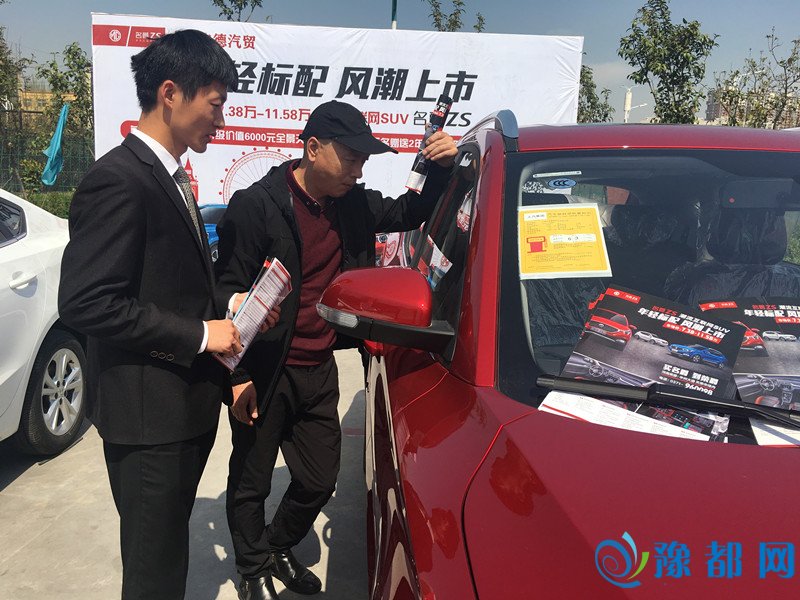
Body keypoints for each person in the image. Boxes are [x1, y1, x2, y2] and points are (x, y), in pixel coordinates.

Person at [214, 100, 458, 599]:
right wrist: (235, 377)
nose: (358, 170)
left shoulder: (352, 205)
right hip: (265, 370)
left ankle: (277, 544)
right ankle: (252, 568)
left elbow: (411, 212)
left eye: (363, 161)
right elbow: (223, 292)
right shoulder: (257, 206)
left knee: (320, 479)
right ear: (313, 148)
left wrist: (440, 167)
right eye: (351, 158)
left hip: (318, 366)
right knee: (251, 481)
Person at [58, 30, 252, 600]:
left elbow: (170, 284)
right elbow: (87, 301)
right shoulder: (118, 179)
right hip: (148, 424)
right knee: (153, 575)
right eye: (214, 104)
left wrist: (226, 310)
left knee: (166, 558)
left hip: (181, 411)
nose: (220, 120)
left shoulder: (169, 174)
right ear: (170, 93)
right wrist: (200, 334)